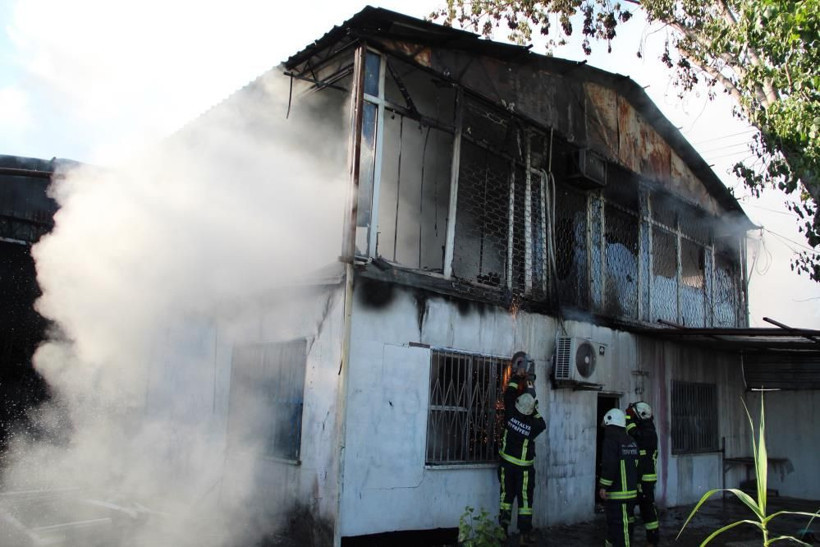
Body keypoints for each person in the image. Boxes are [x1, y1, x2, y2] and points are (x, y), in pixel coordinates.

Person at [498, 363, 545, 546]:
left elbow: (508, 395)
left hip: (507, 466)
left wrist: (516, 377)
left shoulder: (510, 415)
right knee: (525, 503)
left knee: (505, 499)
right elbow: (542, 422)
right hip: (524, 470)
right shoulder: (535, 426)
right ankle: (524, 534)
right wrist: (534, 406)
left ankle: (502, 530)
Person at [599, 408, 639, 547]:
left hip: (617, 495)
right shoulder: (631, 440)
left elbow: (610, 465)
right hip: (631, 493)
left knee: (621, 530)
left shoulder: (611, 440)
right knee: (618, 527)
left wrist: (604, 486)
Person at [626, 401, 660, 546]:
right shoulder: (647, 428)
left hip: (645, 479)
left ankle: (652, 541)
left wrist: (627, 417)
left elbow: (632, 432)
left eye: (634, 413)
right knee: (631, 508)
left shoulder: (648, 432)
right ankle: (629, 538)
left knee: (647, 510)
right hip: (639, 477)